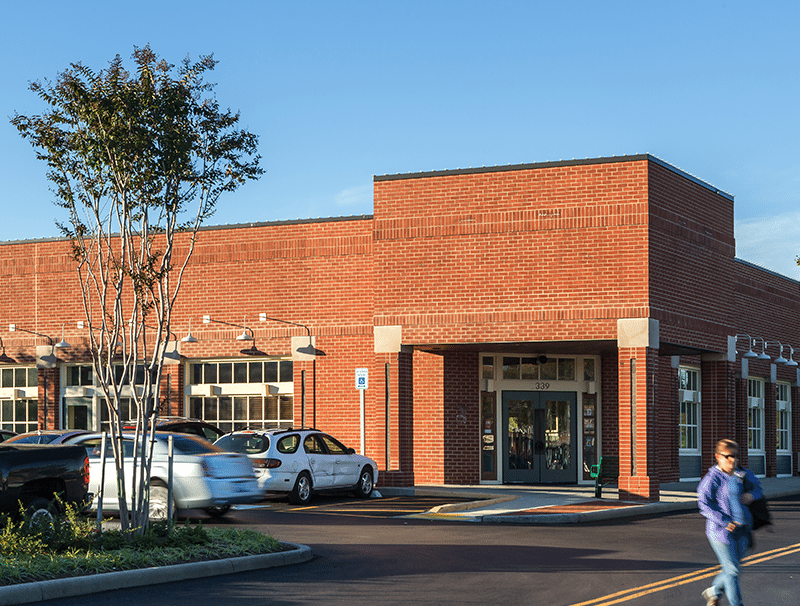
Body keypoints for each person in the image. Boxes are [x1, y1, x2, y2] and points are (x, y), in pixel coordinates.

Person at [697, 439, 763, 606]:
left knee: (731, 570)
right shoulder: (712, 479)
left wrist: (752, 495)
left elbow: (758, 488)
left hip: (742, 530)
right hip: (721, 533)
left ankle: (713, 591)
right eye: (728, 456)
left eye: (735, 456)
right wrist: (724, 521)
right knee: (732, 571)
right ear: (718, 456)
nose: (733, 460)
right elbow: (703, 504)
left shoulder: (742, 474)